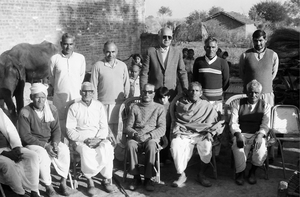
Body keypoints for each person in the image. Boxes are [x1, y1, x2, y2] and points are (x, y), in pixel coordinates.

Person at [18, 83, 74, 197]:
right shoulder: (25, 112)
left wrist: (55, 143)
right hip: (32, 144)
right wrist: (45, 146)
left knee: (64, 150)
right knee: (43, 154)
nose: (40, 100)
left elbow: (56, 129)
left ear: (46, 97)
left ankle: (63, 182)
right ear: (32, 97)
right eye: (37, 97)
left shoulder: (52, 109)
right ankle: (49, 186)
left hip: (49, 141)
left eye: (43, 97)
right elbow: (25, 136)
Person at [170, 82, 223, 188]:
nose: (194, 93)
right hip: (184, 133)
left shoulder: (206, 105)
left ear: (201, 93)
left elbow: (216, 122)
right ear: (187, 92)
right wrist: (178, 131)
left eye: (197, 90)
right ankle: (181, 174)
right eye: (191, 90)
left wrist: (210, 132)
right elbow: (177, 121)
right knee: (175, 144)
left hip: (202, 134)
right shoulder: (181, 104)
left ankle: (201, 174)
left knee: (207, 145)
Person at [66, 82, 114, 195]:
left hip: (98, 138)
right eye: (84, 91)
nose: (87, 93)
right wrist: (85, 139)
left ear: (93, 93)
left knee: (107, 147)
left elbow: (104, 126)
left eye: (90, 91)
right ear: (80, 92)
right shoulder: (74, 107)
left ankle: (105, 179)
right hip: (81, 140)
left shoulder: (99, 106)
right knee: (86, 151)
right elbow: (70, 130)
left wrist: (98, 139)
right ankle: (90, 181)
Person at [125, 83, 166, 192]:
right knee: (130, 144)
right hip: (137, 137)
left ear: (154, 93)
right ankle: (136, 177)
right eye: (144, 91)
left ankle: (148, 178)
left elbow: (162, 128)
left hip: (151, 138)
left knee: (152, 145)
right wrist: (135, 134)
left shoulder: (159, 108)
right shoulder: (135, 107)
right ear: (141, 93)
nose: (147, 94)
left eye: (150, 92)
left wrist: (149, 135)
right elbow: (128, 127)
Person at [230, 79, 270, 186]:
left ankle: (252, 171)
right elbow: (233, 122)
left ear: (260, 94)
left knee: (261, 149)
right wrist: (238, 135)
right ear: (247, 92)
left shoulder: (265, 105)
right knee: (238, 148)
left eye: (256, 92)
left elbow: (265, 124)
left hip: (257, 134)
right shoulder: (237, 103)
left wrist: (260, 135)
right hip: (241, 133)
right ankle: (240, 173)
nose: (253, 95)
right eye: (251, 92)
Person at [50, 33, 86, 142]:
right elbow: (52, 77)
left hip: (76, 96)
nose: (68, 47)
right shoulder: (54, 59)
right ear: (61, 44)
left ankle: (75, 151)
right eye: (65, 44)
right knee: (61, 123)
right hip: (60, 98)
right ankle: (63, 149)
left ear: (74, 44)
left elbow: (81, 76)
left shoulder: (80, 58)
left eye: (71, 44)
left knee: (75, 122)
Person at [90, 41, 130, 138]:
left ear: (117, 52)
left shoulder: (122, 65)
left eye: (113, 52)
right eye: (108, 52)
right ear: (104, 51)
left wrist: (126, 101)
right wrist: (95, 105)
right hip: (103, 105)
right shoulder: (97, 66)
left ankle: (117, 153)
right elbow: (93, 86)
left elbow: (126, 84)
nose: (110, 54)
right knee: (105, 132)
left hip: (119, 105)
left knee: (118, 133)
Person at [140, 27, 188, 100]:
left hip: (171, 92)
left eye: (169, 37)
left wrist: (185, 89)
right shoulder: (151, 51)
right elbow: (144, 73)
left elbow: (182, 72)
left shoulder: (177, 52)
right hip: (154, 93)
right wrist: (143, 91)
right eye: (164, 37)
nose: (167, 39)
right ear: (159, 37)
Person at [0, 108, 40, 197]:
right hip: (1, 153)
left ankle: (33, 190)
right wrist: (4, 153)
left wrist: (16, 147)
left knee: (32, 156)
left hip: (9, 147)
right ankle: (19, 193)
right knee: (8, 163)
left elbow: (10, 129)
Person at [239, 29, 279, 107]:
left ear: (265, 40)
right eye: (255, 41)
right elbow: (241, 73)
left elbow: (273, 74)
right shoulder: (245, 55)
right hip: (250, 95)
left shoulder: (273, 55)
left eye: (261, 40)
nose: (258, 43)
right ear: (253, 41)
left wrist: (264, 82)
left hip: (266, 94)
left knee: (267, 117)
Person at [193, 36, 230, 113]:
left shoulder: (222, 62)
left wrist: (218, 93)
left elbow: (226, 81)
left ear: (217, 48)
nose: (211, 50)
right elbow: (195, 80)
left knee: (215, 122)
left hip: (217, 102)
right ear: (204, 48)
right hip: (202, 100)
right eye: (208, 47)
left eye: (213, 47)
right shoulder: (199, 61)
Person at [154, 86, 172, 165]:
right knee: (160, 143)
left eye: (164, 98)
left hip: (168, 127)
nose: (162, 100)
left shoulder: (171, 105)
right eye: (160, 98)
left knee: (168, 141)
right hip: (158, 128)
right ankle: (160, 159)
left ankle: (166, 158)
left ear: (168, 97)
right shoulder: (156, 106)